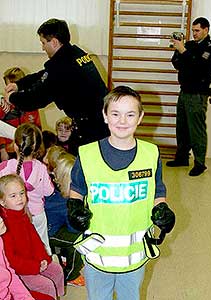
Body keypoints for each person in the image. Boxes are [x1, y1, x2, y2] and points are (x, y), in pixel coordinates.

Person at [68, 86, 175, 300]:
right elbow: (77, 188)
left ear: (140, 117)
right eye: (115, 114)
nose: (122, 121)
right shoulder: (87, 154)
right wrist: (74, 207)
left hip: (133, 255)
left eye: (130, 114)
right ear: (105, 116)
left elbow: (157, 189)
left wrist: (162, 207)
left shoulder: (150, 154)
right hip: (98, 253)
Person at [4, 18, 110, 156]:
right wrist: (19, 84)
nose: (42, 47)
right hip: (101, 121)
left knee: (82, 168)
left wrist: (11, 97)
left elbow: (35, 99)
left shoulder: (62, 67)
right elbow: (45, 74)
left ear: (54, 42)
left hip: (92, 129)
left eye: (43, 43)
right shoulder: (75, 53)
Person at [166, 17, 211, 176]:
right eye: (193, 30)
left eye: (197, 30)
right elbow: (176, 62)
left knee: (196, 130)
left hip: (197, 94)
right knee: (182, 128)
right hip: (184, 91)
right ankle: (182, 158)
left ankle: (200, 163)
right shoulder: (189, 45)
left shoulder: (210, 48)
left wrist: (184, 53)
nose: (194, 33)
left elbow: (200, 67)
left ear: (206, 30)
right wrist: (180, 51)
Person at [0, 174, 64, 299]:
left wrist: (43, 258)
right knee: (46, 285)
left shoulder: (23, 215)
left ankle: (57, 296)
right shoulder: (4, 226)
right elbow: (11, 261)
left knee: (57, 270)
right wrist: (35, 267)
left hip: (33, 263)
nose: (20, 198)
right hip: (20, 271)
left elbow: (36, 241)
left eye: (22, 193)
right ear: (2, 202)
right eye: (13, 196)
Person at [0, 123, 54, 255]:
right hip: (38, 214)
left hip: (13, 217)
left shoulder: (4, 167)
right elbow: (49, 191)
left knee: (19, 248)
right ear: (37, 147)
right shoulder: (41, 168)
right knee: (43, 246)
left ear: (15, 145)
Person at [44, 147, 85, 287]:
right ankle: (71, 274)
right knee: (78, 241)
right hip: (49, 232)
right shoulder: (65, 201)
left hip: (52, 224)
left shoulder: (53, 187)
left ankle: (65, 258)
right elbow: (73, 228)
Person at [0, 67, 41, 161]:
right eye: (6, 86)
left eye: (10, 88)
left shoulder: (31, 105)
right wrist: (2, 150)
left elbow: (37, 128)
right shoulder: (3, 106)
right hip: (8, 151)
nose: (7, 91)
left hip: (27, 150)